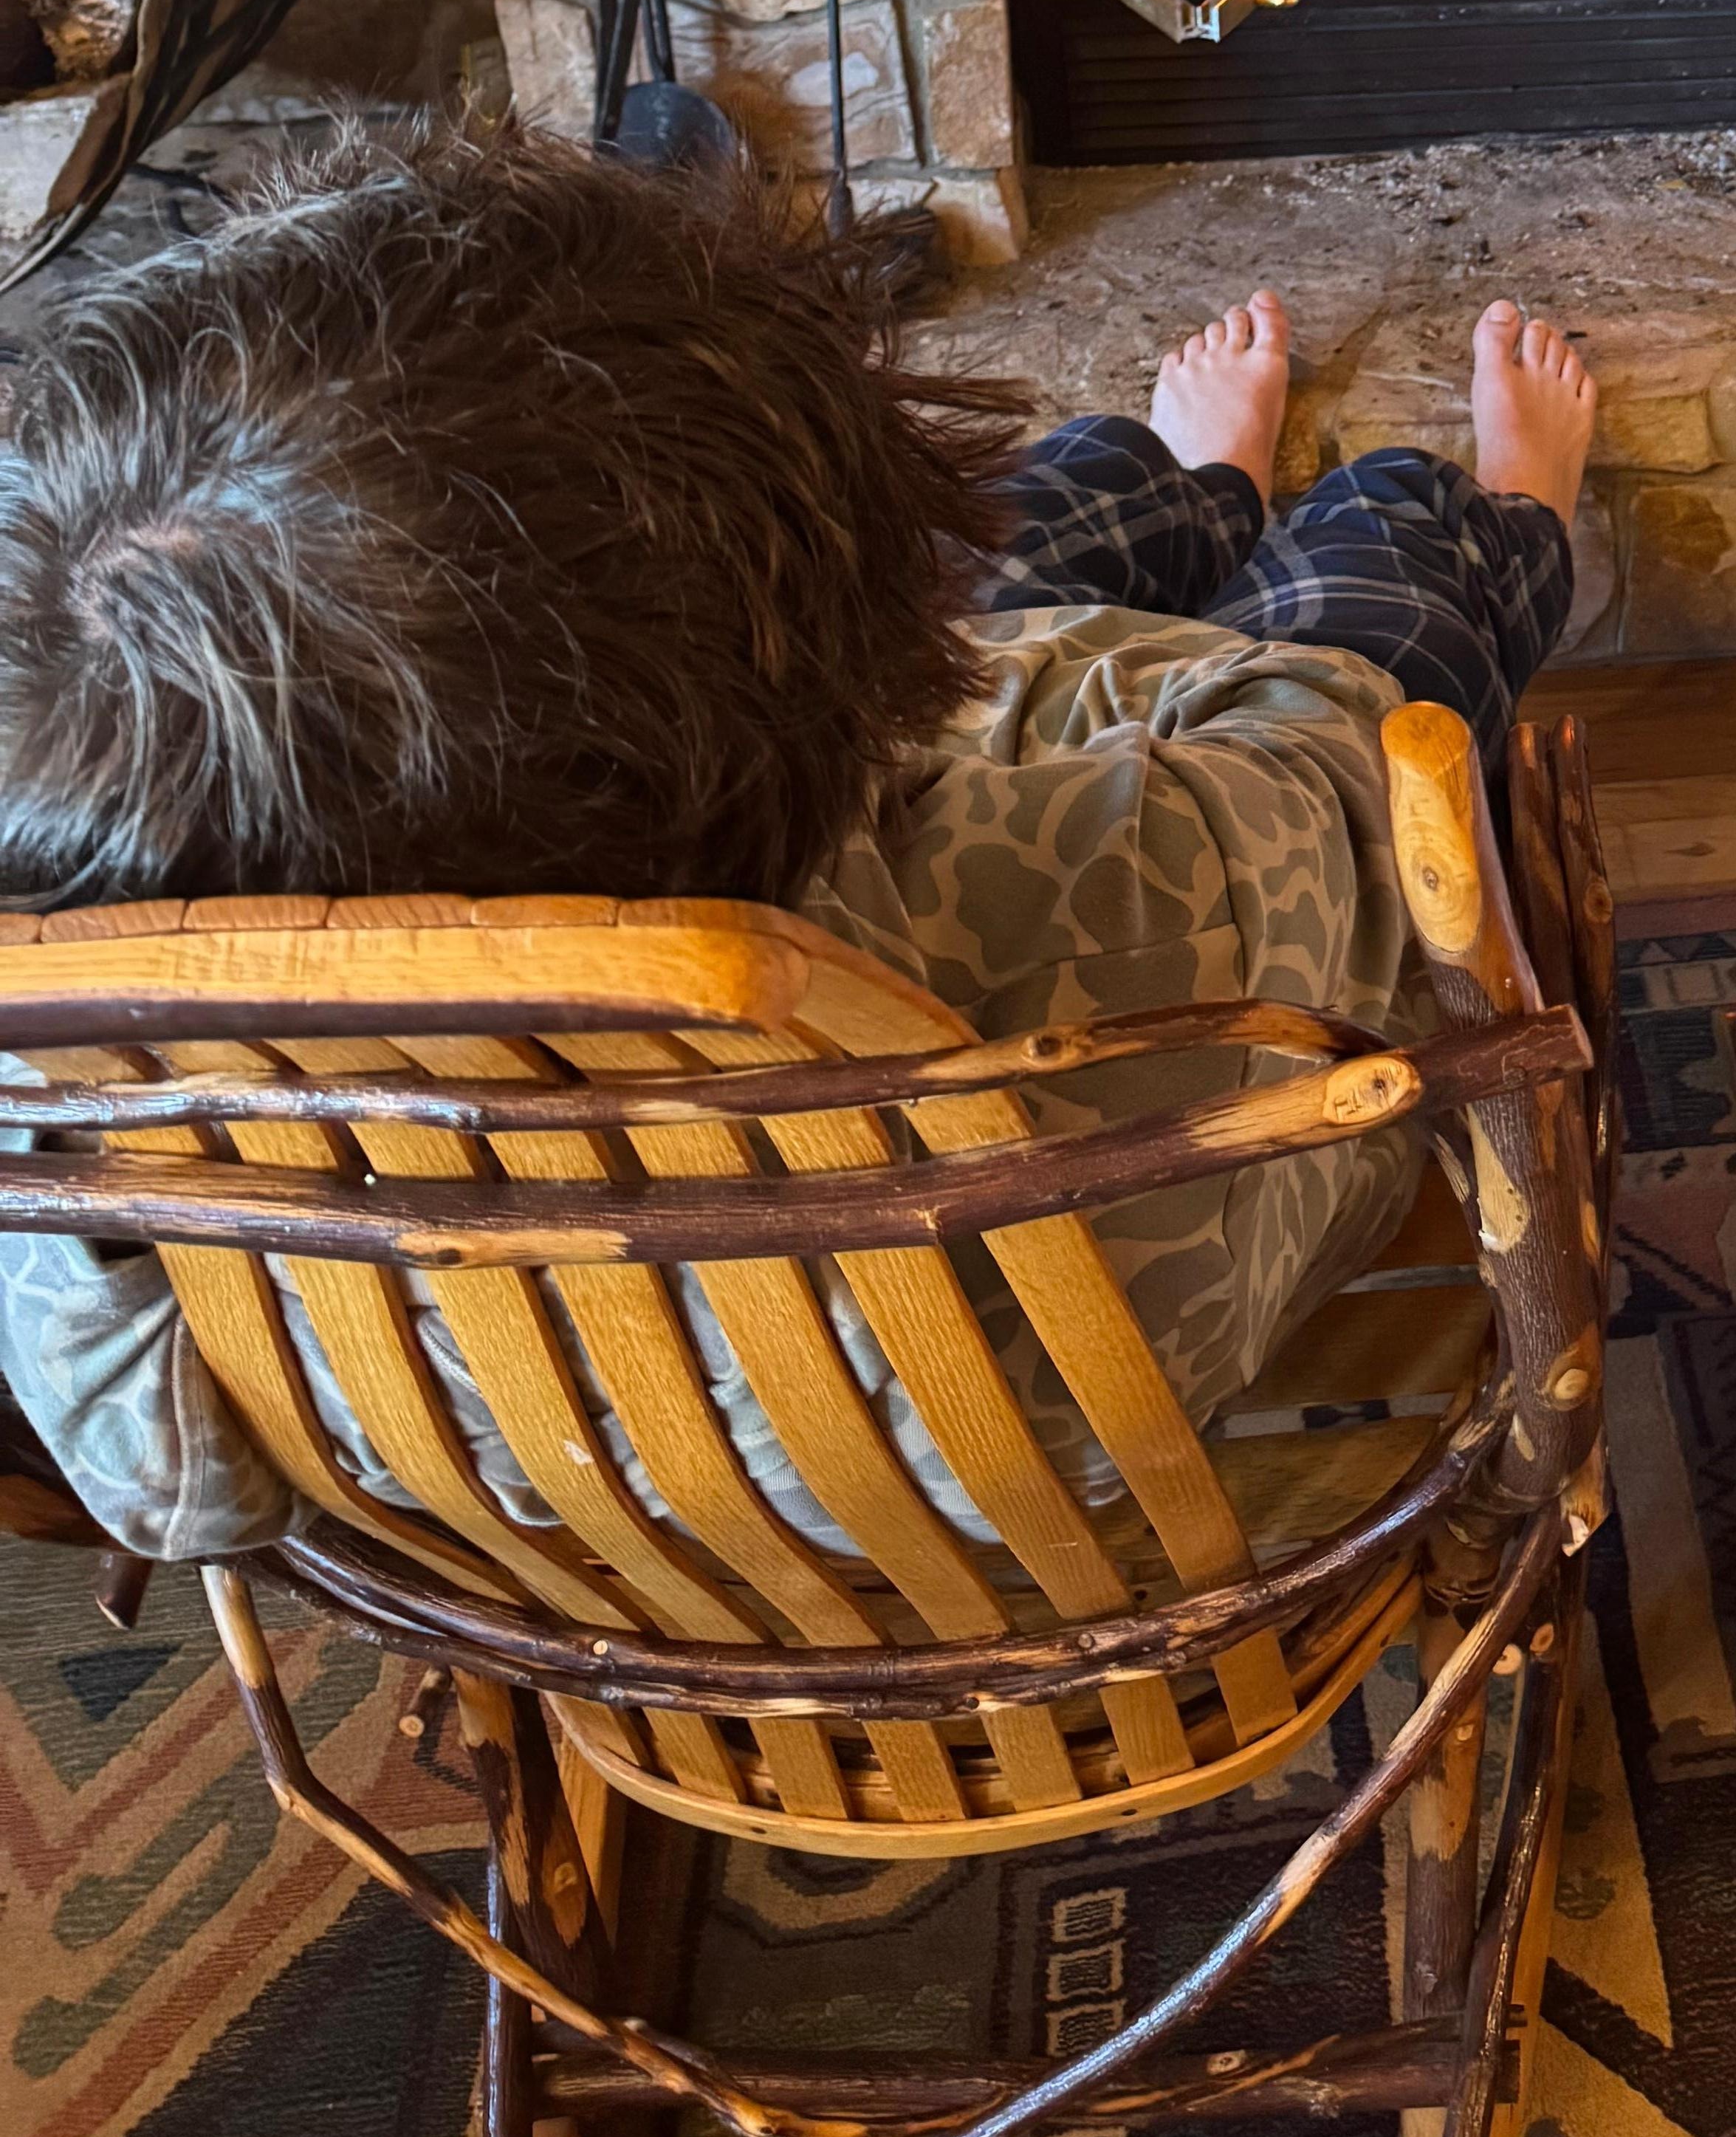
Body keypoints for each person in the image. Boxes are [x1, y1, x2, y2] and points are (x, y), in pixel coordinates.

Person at [0, 123, 1596, 1559]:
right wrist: (1100, 675)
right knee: (1376, 570)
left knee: (1038, 538)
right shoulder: (1062, 901)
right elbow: (1342, 779)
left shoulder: (56, 1061)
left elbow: (166, 1491)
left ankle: (1189, 485)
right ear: (874, 727)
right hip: (1051, 1439)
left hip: (573, 1523)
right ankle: (1500, 518)